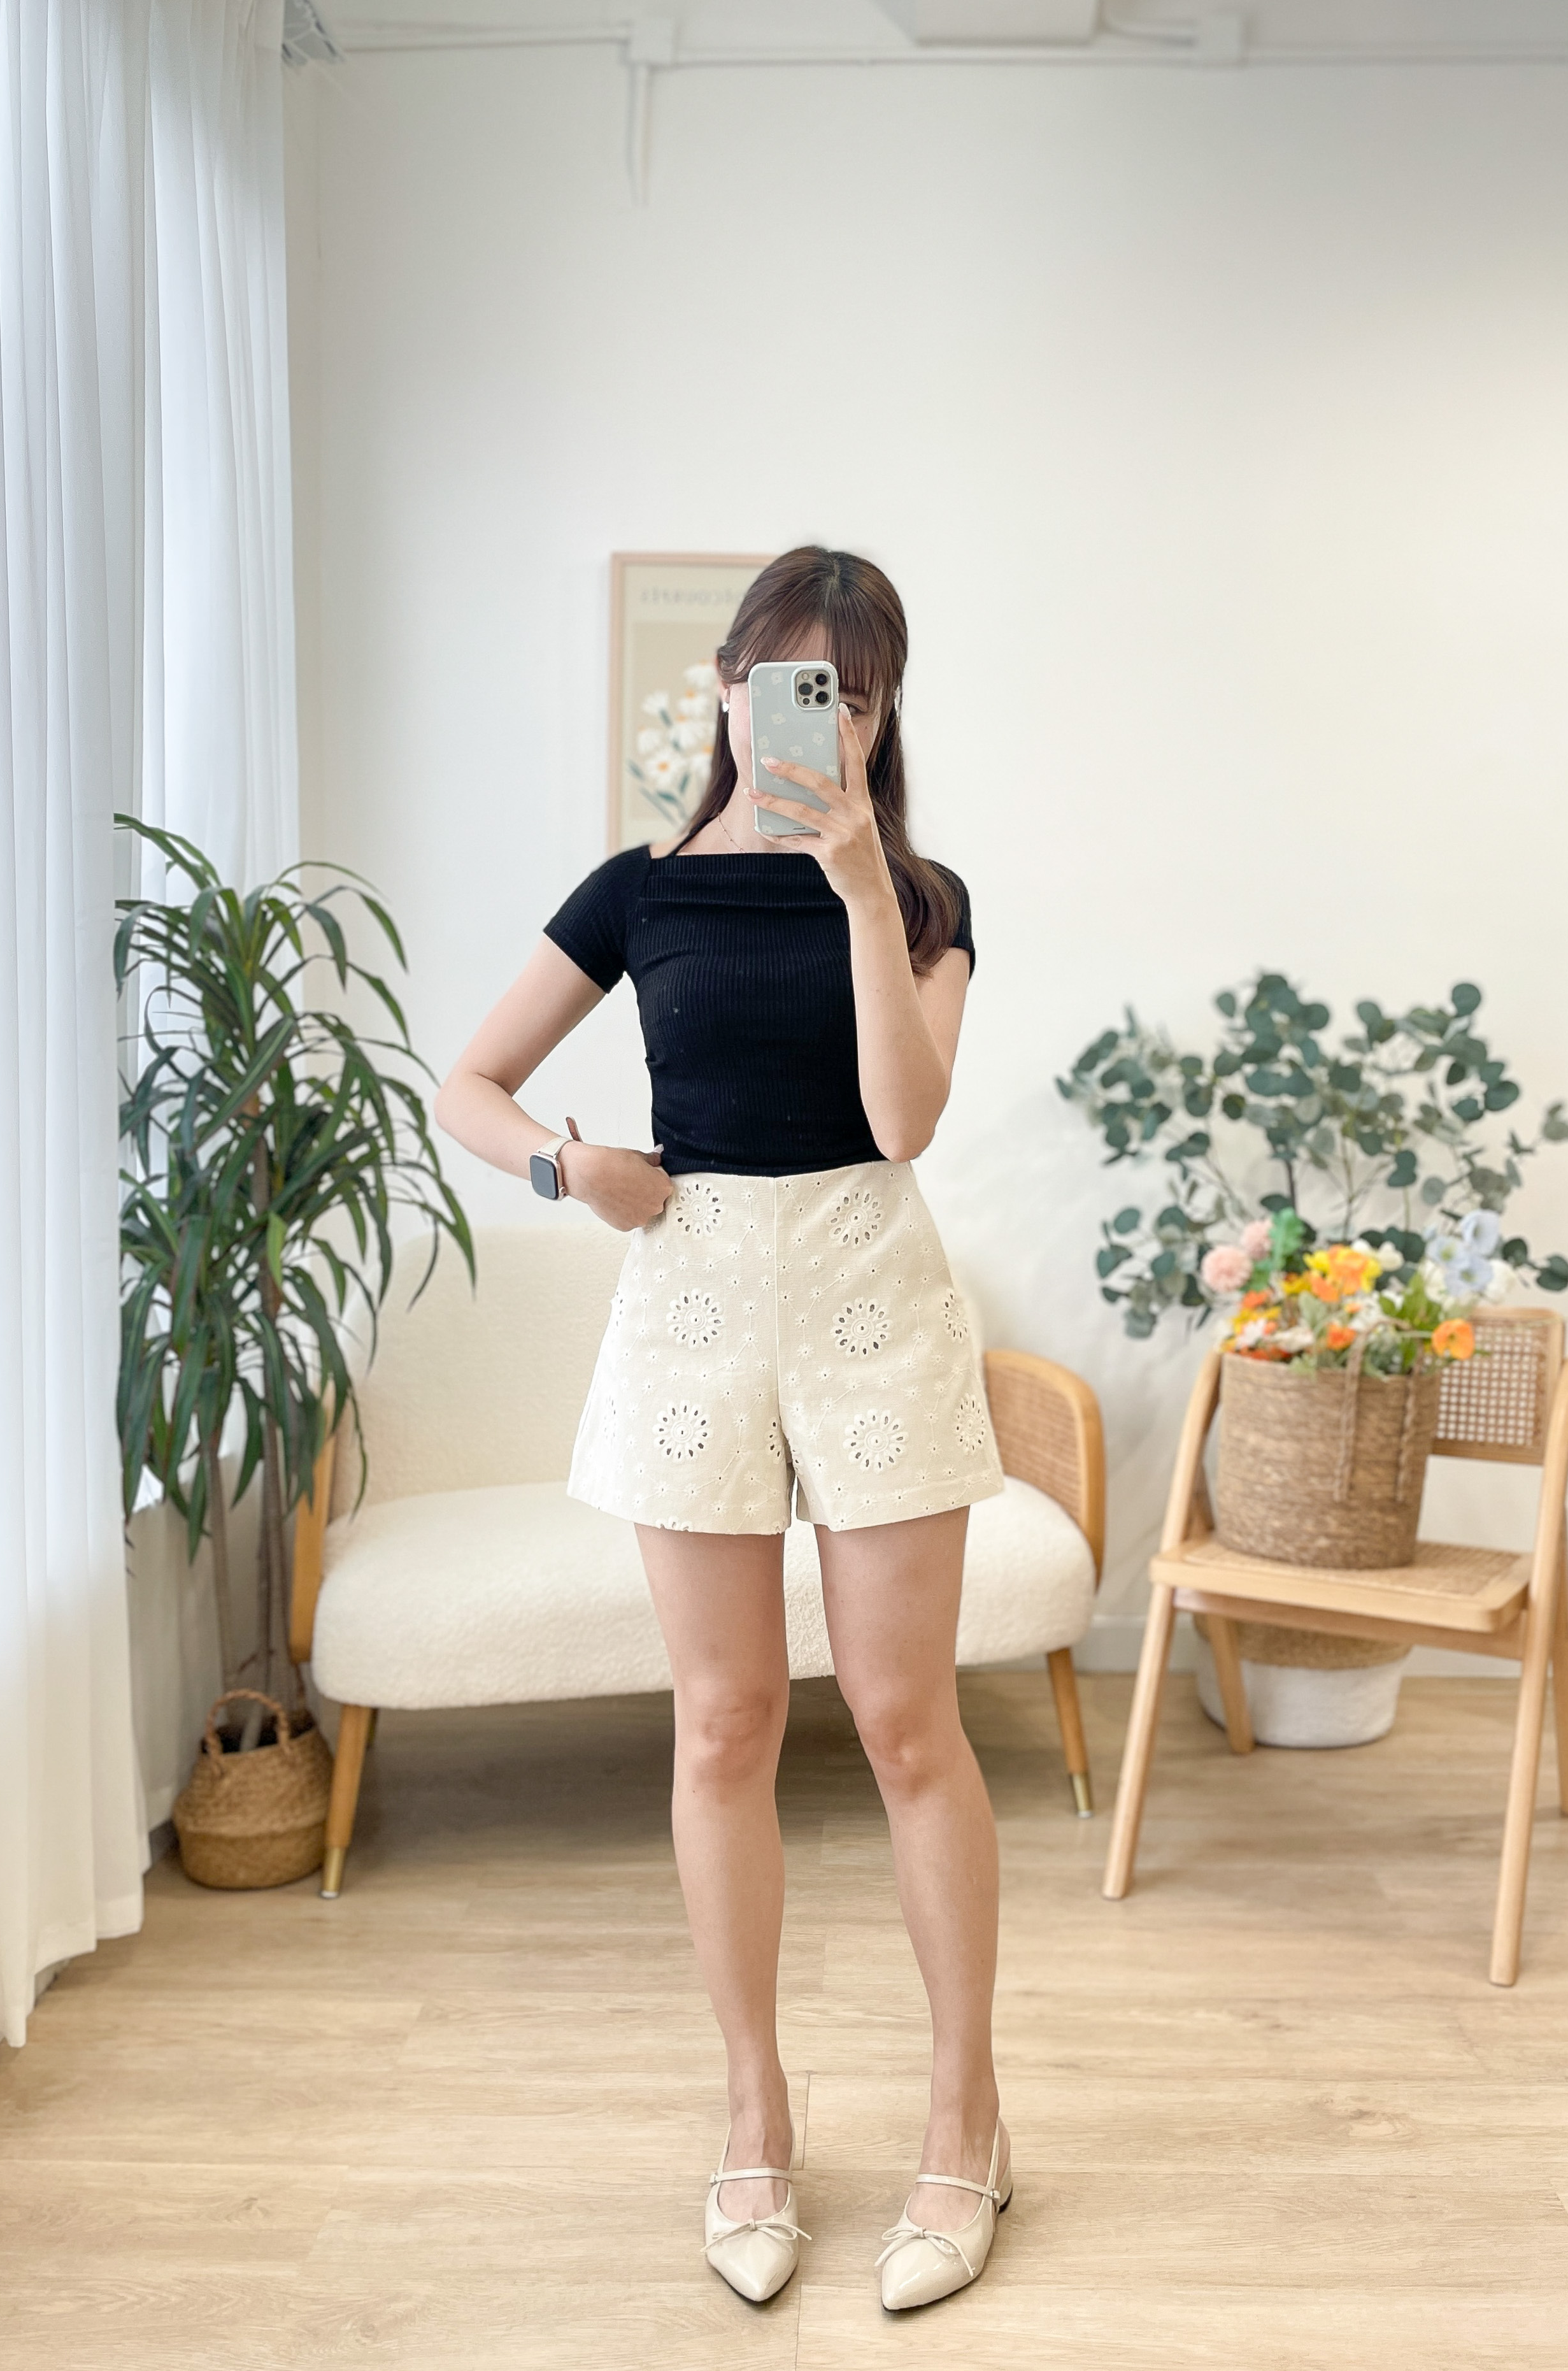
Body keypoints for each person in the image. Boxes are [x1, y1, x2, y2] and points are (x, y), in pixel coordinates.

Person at [435, 547, 1010, 2312]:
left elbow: (904, 1122)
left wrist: (860, 891)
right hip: (689, 1311)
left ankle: (967, 2120)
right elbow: (466, 1084)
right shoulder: (636, 893)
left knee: (907, 1724)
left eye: (849, 690)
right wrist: (570, 1167)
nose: (811, 716)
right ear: (728, 691)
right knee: (725, 1720)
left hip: (871, 1301)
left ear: (881, 718)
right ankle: (755, 2115)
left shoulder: (924, 897)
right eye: (781, 681)